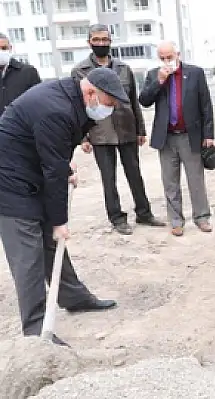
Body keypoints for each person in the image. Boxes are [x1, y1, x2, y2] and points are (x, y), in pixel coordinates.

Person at [0, 68, 124, 346]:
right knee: (28, 256)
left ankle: (73, 297)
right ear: (91, 93)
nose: (111, 109)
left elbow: (53, 150)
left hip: (28, 171)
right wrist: (59, 221)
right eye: (109, 103)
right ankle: (35, 332)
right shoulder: (56, 108)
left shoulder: (70, 99)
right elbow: (53, 170)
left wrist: (63, 164)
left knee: (52, 245)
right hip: (8, 183)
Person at [71, 24, 165, 235]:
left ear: (110, 41)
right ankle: (116, 217)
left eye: (105, 39)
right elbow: (79, 105)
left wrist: (140, 129)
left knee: (135, 173)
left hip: (126, 129)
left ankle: (144, 212)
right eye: (97, 40)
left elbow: (133, 101)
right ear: (89, 42)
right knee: (108, 178)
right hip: (99, 132)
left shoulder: (124, 69)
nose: (101, 43)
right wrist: (83, 137)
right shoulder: (80, 71)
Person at [139, 40, 214, 237]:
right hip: (166, 137)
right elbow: (144, 100)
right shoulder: (154, 74)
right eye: (162, 58)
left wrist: (209, 134)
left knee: (195, 179)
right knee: (170, 182)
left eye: (169, 57)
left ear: (177, 54)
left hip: (190, 135)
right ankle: (176, 221)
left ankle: (202, 217)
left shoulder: (195, 73)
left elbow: (206, 104)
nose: (166, 61)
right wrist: (160, 81)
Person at [0, 32, 42, 117]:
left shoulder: (28, 72)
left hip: (22, 127)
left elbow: (40, 102)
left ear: (10, 48)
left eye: (4, 48)